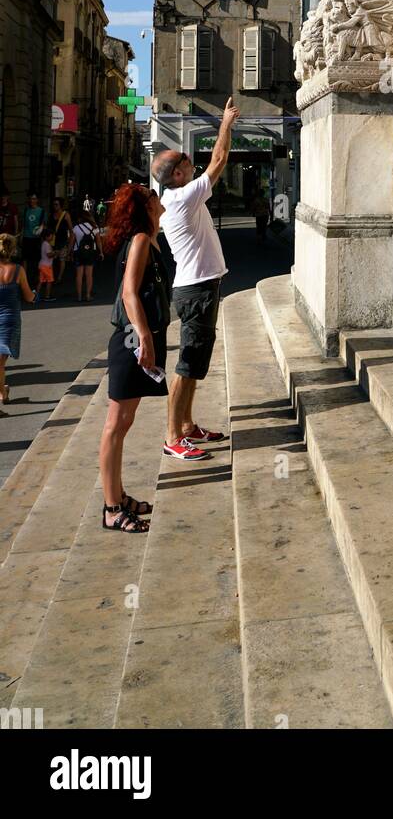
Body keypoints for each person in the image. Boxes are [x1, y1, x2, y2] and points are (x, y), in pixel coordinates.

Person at [150, 97, 240, 461]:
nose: (194, 165)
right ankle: (173, 436)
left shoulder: (178, 197)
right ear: (177, 174)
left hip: (198, 287)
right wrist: (225, 124)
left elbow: (212, 164)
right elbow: (218, 161)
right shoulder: (183, 197)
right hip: (197, 289)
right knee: (187, 365)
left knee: (195, 362)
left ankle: (186, 425)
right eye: (188, 163)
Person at [99, 184, 171, 533]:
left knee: (124, 423)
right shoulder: (142, 238)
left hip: (141, 338)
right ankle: (112, 508)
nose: (161, 198)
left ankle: (119, 495)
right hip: (131, 340)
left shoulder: (150, 238)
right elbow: (129, 293)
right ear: (147, 206)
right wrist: (144, 337)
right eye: (154, 195)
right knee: (116, 425)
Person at [0, 232, 34, 402]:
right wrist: (35, 295)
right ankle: (1, 394)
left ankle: (3, 392)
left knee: (0, 361)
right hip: (9, 319)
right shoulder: (18, 270)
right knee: (0, 361)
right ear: (12, 250)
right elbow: (28, 297)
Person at [72, 207, 102, 301]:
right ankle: (88, 295)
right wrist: (101, 252)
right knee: (89, 275)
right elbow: (98, 241)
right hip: (90, 253)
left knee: (79, 275)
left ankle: (79, 296)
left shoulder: (76, 228)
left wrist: (69, 252)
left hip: (78, 252)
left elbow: (71, 242)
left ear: (80, 218)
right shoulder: (94, 227)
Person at [21, 195, 46, 286]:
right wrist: (21, 236)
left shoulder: (41, 211)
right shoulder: (26, 210)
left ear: (37, 200)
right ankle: (24, 278)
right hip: (26, 237)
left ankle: (37, 278)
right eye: (31, 198)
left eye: (34, 198)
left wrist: (42, 237)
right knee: (25, 259)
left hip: (36, 239)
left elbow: (43, 225)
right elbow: (23, 225)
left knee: (36, 260)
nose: (32, 200)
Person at [50, 197, 73, 286]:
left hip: (62, 240)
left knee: (62, 259)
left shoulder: (66, 215)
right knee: (52, 259)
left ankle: (59, 277)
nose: (55, 206)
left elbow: (71, 229)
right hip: (52, 241)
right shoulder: (52, 215)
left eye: (56, 205)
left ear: (61, 206)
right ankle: (52, 277)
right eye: (54, 204)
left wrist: (70, 242)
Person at [35, 230, 56, 302]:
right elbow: (49, 255)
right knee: (49, 281)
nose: (52, 237)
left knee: (41, 281)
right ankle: (47, 296)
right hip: (47, 266)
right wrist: (55, 253)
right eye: (51, 235)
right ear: (47, 237)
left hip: (42, 265)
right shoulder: (47, 244)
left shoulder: (44, 243)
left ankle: (36, 296)